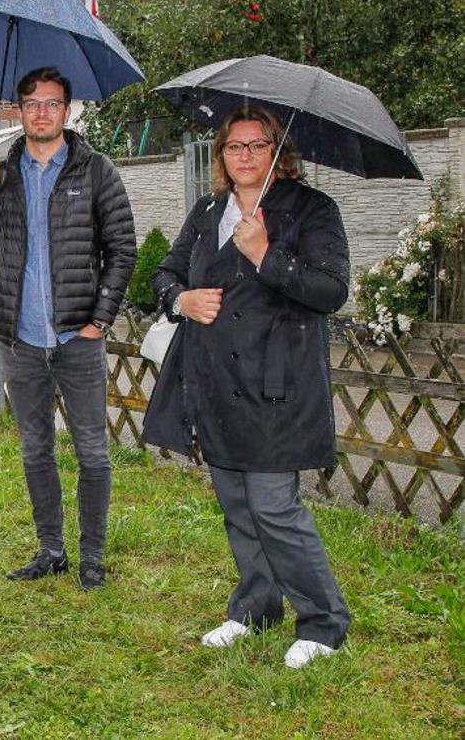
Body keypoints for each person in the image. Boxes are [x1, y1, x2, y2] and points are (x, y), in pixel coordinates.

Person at [141, 105, 351, 669]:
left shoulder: (311, 210)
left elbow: (331, 290)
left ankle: (324, 621)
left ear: (280, 151)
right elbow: (166, 272)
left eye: (259, 145)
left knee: (273, 506)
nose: (246, 156)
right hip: (214, 381)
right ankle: (256, 608)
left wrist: (265, 254)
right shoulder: (209, 210)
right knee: (236, 503)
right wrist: (180, 300)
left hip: (277, 385)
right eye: (235, 146)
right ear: (221, 155)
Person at [0, 66, 136, 590]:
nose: (42, 112)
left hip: (76, 340)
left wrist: (99, 319)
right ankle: (51, 550)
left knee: (92, 452)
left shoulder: (96, 170)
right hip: (20, 340)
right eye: (32, 103)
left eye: (53, 103)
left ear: (68, 110)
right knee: (35, 449)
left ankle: (92, 558)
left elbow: (123, 249)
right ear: (18, 110)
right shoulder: (4, 170)